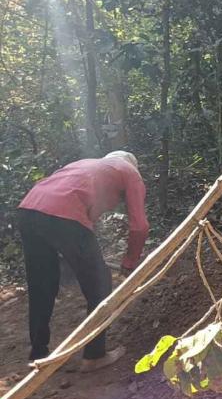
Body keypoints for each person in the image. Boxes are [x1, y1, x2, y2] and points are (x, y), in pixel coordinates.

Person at [17, 151, 149, 370]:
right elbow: (140, 227)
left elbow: (72, 218)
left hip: (29, 209)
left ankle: (38, 353)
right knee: (101, 284)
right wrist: (129, 263)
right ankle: (94, 355)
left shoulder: (85, 166)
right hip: (63, 214)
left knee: (41, 285)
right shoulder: (129, 171)